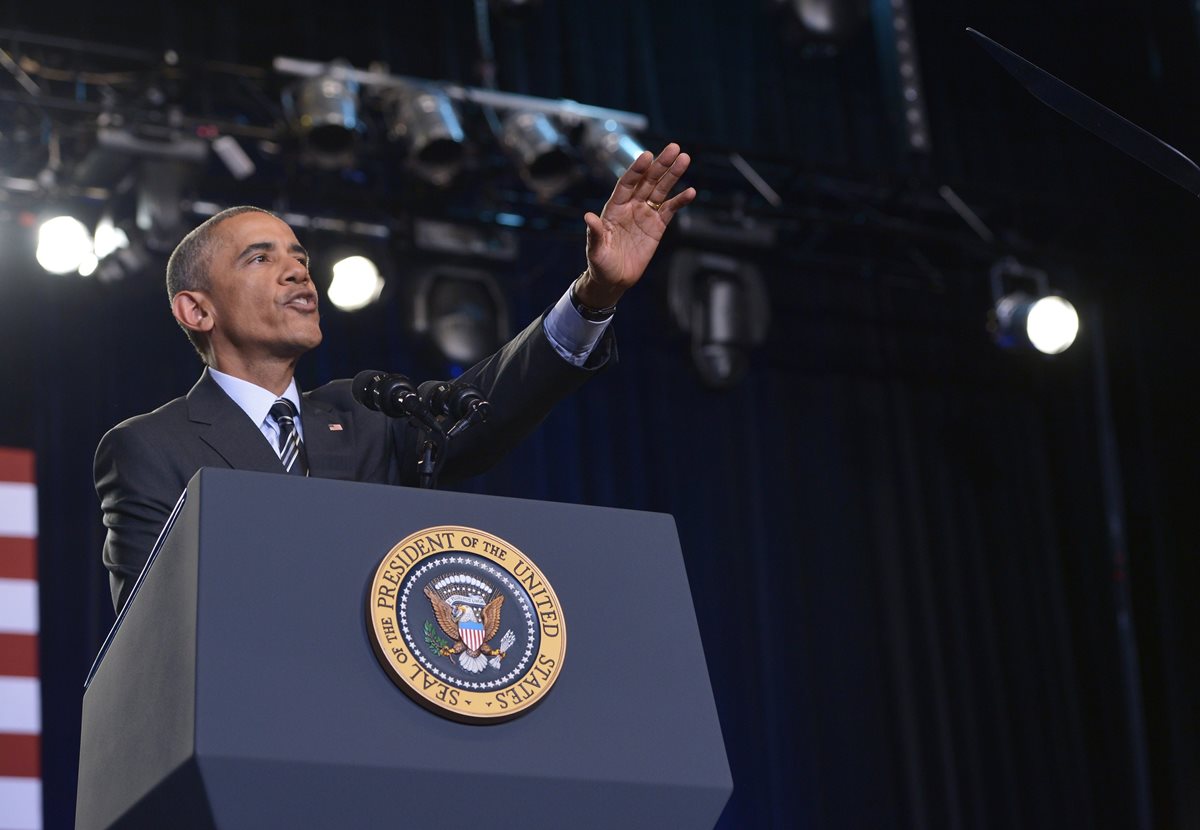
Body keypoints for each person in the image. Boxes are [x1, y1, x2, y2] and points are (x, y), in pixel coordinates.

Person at [94, 143, 696, 613]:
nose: (299, 273)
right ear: (196, 310)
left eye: (300, 257)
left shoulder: (370, 415)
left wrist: (595, 295)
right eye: (261, 258)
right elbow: (151, 634)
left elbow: (489, 401)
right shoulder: (150, 447)